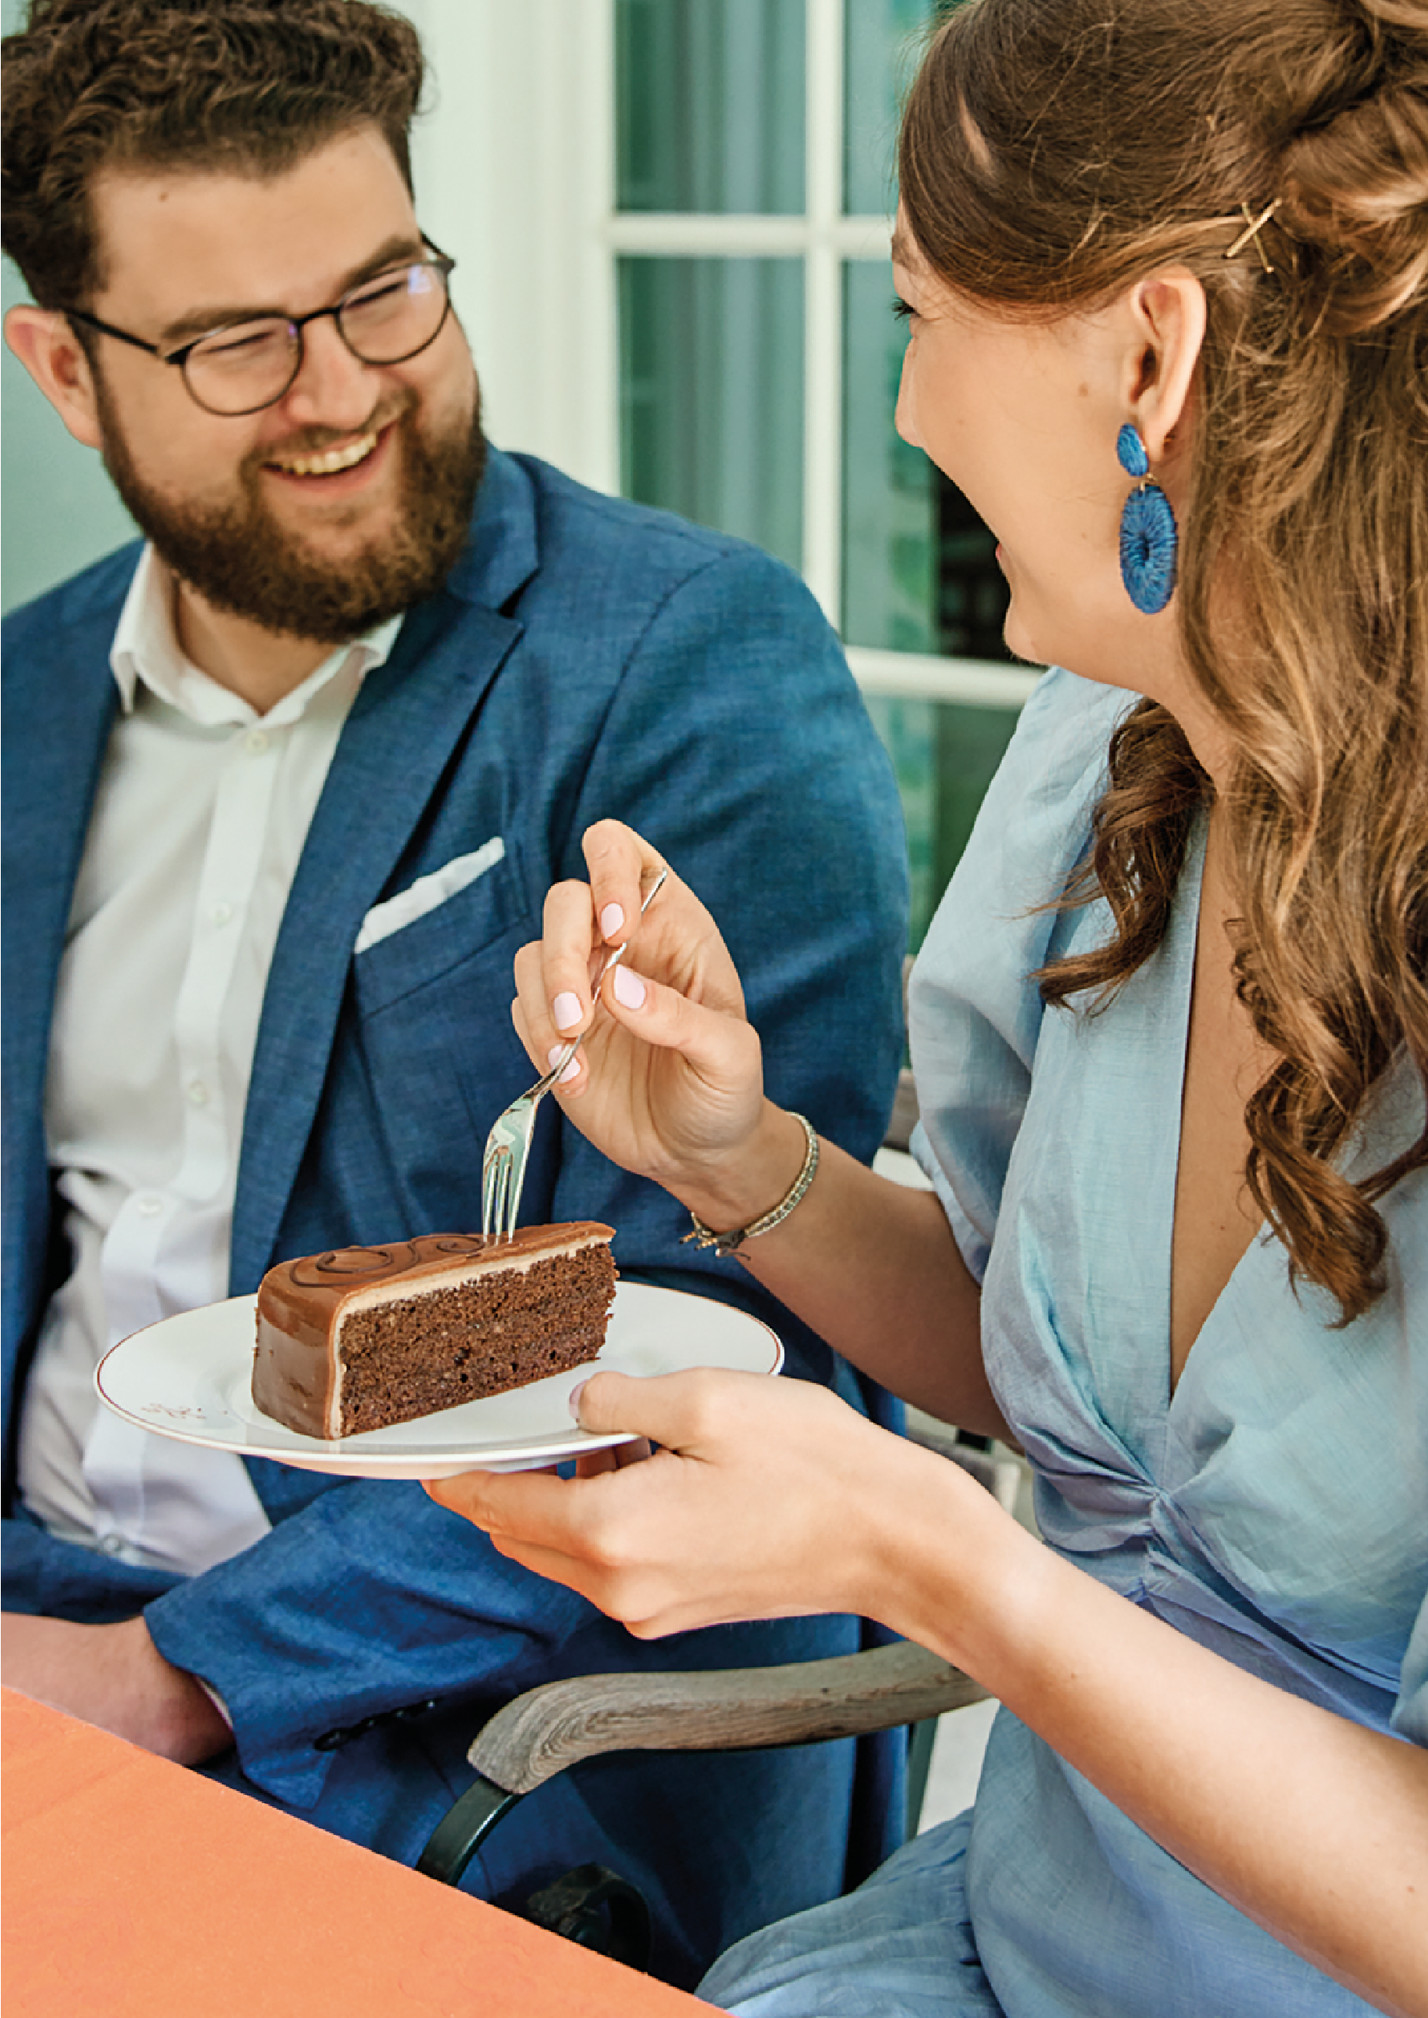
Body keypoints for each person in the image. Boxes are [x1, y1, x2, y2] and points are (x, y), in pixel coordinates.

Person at [427, 0, 1428, 2011]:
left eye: (920, 316)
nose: (903, 418)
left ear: (1150, 355)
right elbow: (1027, 1354)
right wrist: (742, 1155)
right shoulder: (1106, 760)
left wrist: (940, 1563)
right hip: (996, 1944)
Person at [0, 0, 912, 1987]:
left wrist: (176, 1673)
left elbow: (752, 1340)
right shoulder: (14, 705)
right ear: (64, 368)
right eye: (237, 339)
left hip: (458, 1734)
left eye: (386, 292)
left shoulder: (682, 659)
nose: (344, 393)